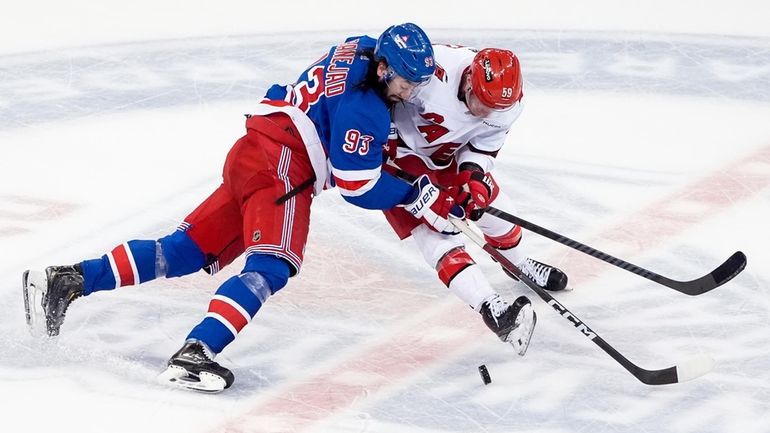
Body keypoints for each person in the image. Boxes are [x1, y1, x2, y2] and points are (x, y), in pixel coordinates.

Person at [22, 23, 466, 393]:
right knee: (272, 267)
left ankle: (66, 279)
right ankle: (196, 353)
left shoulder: (359, 47)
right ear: (384, 69)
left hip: (252, 150)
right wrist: (415, 194)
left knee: (182, 250)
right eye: (406, 82)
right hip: (284, 170)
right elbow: (357, 185)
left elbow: (347, 125)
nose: (412, 93)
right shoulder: (364, 110)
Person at [383, 44, 569, 356]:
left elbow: (485, 144)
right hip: (399, 163)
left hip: (447, 156)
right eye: (482, 102)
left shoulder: (507, 104)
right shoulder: (430, 73)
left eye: (495, 107)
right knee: (439, 235)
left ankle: (518, 264)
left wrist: (473, 178)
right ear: (469, 81)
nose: (486, 112)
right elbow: (381, 104)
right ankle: (492, 309)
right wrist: (414, 180)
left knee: (497, 211)